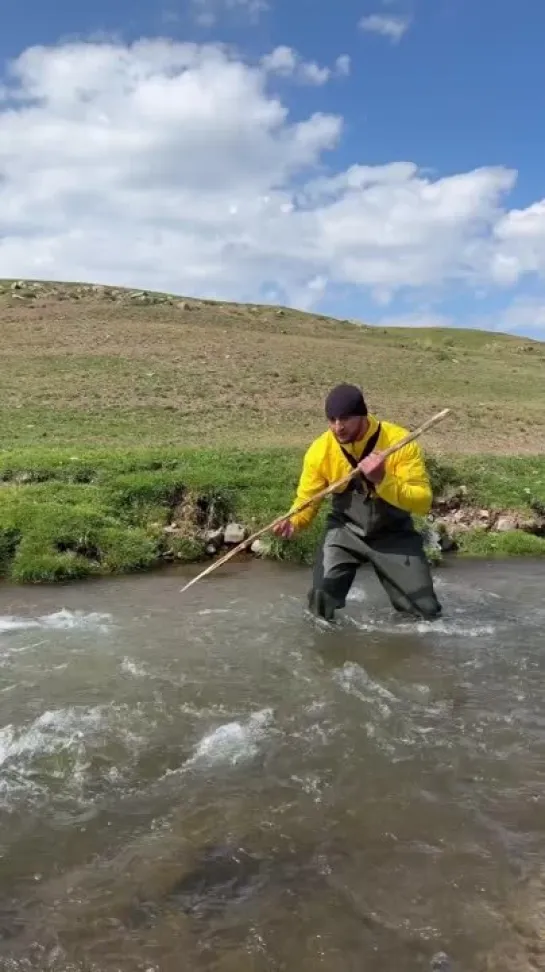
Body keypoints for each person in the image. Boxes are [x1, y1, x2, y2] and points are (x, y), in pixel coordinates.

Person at [273, 383, 442, 623]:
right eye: (331, 419)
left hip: (393, 533)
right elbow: (306, 500)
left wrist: (382, 479)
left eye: (345, 419)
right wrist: (294, 521)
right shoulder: (319, 451)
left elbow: (423, 501)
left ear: (362, 415)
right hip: (345, 531)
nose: (337, 427)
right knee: (320, 600)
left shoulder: (399, 441)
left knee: (426, 612)